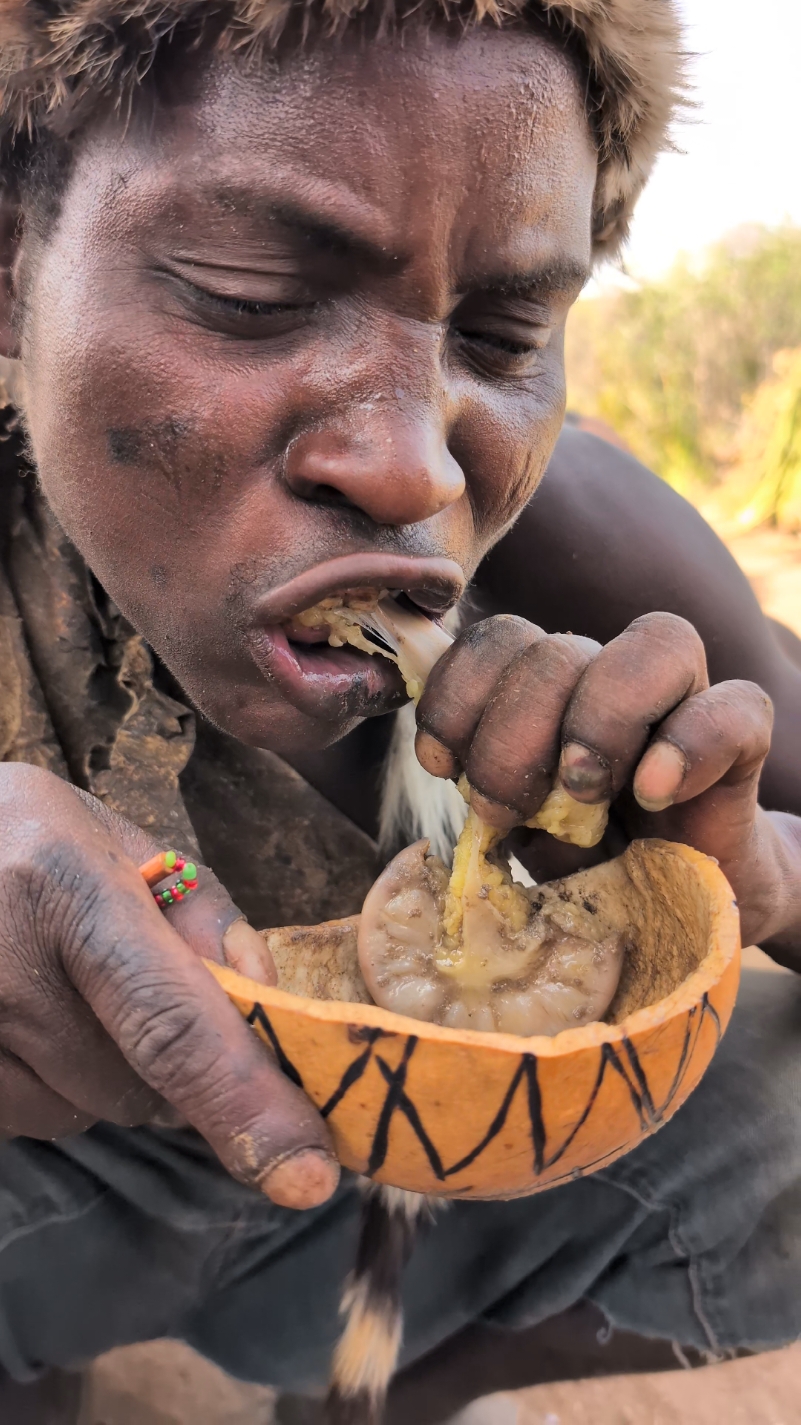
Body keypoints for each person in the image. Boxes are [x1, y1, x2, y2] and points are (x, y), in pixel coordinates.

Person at [0, 2, 800, 1421]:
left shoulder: (588, 554)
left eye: (498, 334)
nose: (415, 461)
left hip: (389, 1179)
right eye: (250, 291)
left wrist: (735, 885)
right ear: (12, 267)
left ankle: (388, 1386)